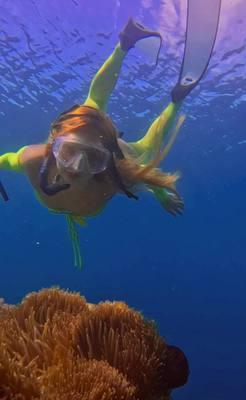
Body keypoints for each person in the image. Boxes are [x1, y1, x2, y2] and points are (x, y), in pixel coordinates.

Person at [0, 8, 221, 267]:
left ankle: (177, 100)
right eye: (69, 152)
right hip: (92, 135)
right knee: (94, 103)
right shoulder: (34, 159)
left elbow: (147, 175)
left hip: (112, 146)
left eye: (92, 158)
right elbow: (5, 159)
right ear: (53, 144)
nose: (78, 167)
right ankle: (126, 43)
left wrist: (161, 193)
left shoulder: (114, 174)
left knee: (145, 149)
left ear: (105, 159)